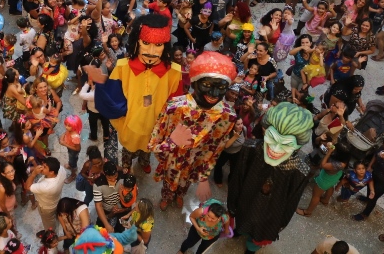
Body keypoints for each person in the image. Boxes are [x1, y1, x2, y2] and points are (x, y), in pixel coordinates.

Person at [89, 14, 182, 172]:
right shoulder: (123, 67)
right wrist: (101, 84)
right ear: (136, 42)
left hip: (155, 126)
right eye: (146, 43)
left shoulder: (174, 72)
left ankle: (145, 161)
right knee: (128, 149)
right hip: (130, 124)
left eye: (158, 45)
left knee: (148, 149)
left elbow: (176, 106)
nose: (151, 51)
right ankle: (127, 163)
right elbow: (113, 99)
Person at [149, 52, 241, 209]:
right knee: (169, 182)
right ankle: (166, 196)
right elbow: (153, 144)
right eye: (207, 85)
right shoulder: (174, 107)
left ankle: (179, 195)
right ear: (194, 83)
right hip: (173, 159)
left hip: (195, 163)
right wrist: (172, 142)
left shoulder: (227, 116)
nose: (214, 94)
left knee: (185, 184)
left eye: (221, 88)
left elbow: (216, 151)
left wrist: (204, 178)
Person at [227, 102, 314, 252]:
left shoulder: (300, 168)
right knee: (242, 221)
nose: (275, 149)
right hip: (246, 201)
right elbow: (238, 179)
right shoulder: (250, 148)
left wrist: (281, 223)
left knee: (258, 235)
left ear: (298, 146)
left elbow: (293, 199)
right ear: (264, 130)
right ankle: (240, 231)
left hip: (271, 213)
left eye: (285, 144)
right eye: (272, 139)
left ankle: (251, 248)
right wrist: (231, 206)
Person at [28, 157, 66, 231]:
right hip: (56, 200)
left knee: (48, 223)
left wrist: (34, 174)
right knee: (55, 213)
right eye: (42, 165)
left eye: (44, 167)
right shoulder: (61, 169)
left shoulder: (46, 186)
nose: (41, 168)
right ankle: (56, 218)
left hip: (46, 207)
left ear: (51, 172)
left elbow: (27, 187)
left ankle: (50, 235)